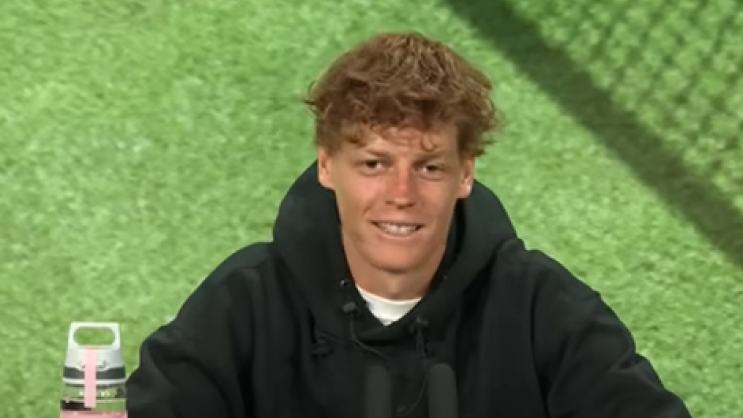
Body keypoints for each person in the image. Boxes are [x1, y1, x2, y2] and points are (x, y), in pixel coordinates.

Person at [125, 32, 693, 418]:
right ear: (327, 166)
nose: (401, 195)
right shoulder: (245, 302)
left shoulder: (541, 308)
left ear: (464, 173)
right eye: (374, 164)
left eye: (429, 167)